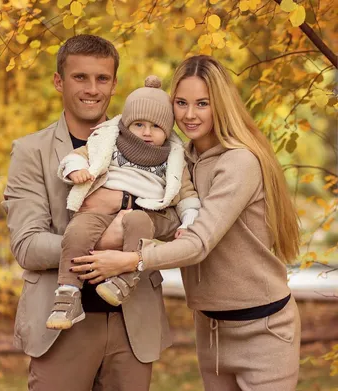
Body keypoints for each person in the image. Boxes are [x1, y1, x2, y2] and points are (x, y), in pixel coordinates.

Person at [72, 55, 302, 391]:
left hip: (263, 329)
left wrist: (132, 259)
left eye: (202, 103)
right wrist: (126, 204)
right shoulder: (182, 159)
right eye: (181, 103)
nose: (189, 114)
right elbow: (172, 222)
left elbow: (198, 242)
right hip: (210, 328)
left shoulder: (239, 162)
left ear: (220, 105)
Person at [2, 35, 177, 391]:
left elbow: (172, 217)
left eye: (102, 79)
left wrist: (124, 208)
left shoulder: (150, 141)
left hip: (133, 322)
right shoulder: (30, 151)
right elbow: (27, 245)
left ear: (114, 84)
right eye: (80, 77)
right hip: (60, 325)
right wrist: (104, 243)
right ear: (59, 81)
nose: (92, 89)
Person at [46, 75, 200, 330]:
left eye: (155, 127)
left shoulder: (173, 158)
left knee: (138, 222)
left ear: (168, 129)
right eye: (139, 124)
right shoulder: (109, 141)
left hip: (144, 210)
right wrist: (77, 170)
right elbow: (77, 156)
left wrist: (189, 221)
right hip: (97, 208)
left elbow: (187, 195)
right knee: (78, 231)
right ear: (128, 125)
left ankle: (125, 279)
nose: (146, 132)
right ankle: (68, 293)